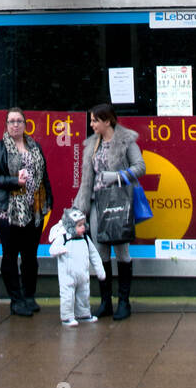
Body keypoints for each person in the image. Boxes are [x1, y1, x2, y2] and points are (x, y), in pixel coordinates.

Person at [75, 102, 144, 320]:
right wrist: (79, 208)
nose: (91, 124)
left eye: (95, 120)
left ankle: (124, 302)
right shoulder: (92, 145)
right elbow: (87, 179)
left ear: (107, 121)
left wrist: (117, 176)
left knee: (122, 251)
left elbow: (140, 167)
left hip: (119, 201)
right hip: (97, 203)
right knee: (100, 251)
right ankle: (106, 302)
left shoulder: (126, 141)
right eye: (91, 120)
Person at [0, 107, 52, 316]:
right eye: (12, 121)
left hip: (34, 210)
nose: (15, 125)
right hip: (7, 211)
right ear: (6, 125)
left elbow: (43, 175)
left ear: (25, 124)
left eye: (19, 121)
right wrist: (14, 181)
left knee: (30, 256)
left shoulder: (34, 146)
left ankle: (29, 296)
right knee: (10, 255)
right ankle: (16, 299)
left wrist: (48, 199)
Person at [48, 207, 106, 326]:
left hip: (83, 275)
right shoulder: (63, 238)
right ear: (71, 226)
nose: (83, 227)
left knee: (84, 295)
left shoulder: (85, 238)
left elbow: (94, 254)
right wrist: (61, 249)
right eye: (79, 225)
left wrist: (100, 270)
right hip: (67, 275)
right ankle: (67, 316)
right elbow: (52, 250)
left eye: (83, 224)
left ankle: (83, 314)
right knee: (67, 296)